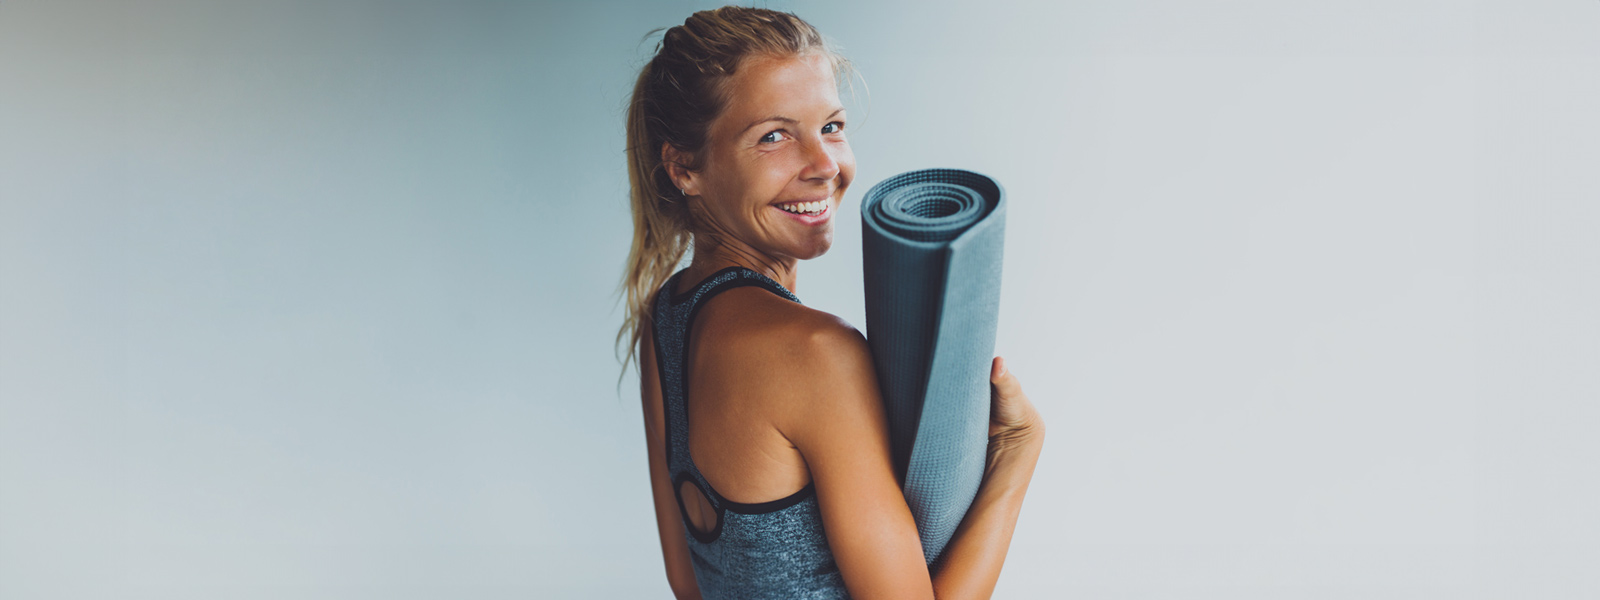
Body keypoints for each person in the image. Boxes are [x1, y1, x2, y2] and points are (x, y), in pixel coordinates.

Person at [613, 7, 1045, 599]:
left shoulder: (664, 318)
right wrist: (1016, 459)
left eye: (832, 127)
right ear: (684, 167)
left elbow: (691, 584)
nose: (824, 166)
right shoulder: (816, 354)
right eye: (774, 136)